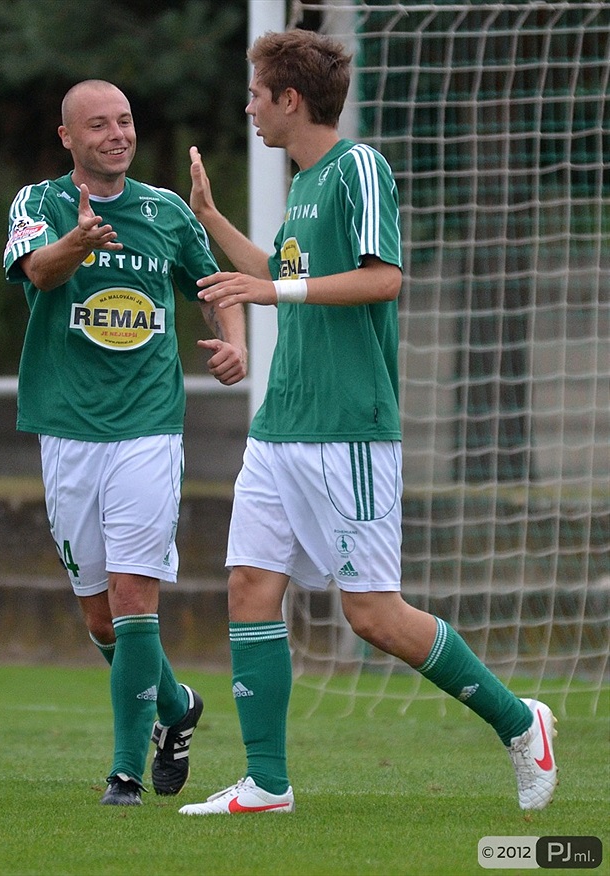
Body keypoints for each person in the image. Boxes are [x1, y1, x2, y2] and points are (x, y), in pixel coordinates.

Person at [177, 30, 558, 815]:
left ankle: (522, 724)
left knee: (373, 616)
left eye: (256, 94)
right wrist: (212, 219)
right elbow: (282, 274)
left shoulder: (359, 167)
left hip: (347, 431)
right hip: (281, 428)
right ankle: (268, 783)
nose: (248, 106)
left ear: (290, 99)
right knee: (250, 585)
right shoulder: (304, 186)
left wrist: (272, 295)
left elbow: (382, 279)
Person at [3, 79, 247, 806]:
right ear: (67, 138)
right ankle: (175, 708)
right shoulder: (37, 205)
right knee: (99, 617)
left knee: (135, 594)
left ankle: (123, 776)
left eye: (126, 121)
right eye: (99, 125)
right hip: (66, 428)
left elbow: (216, 284)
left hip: (146, 427)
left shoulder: (166, 211)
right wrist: (76, 242)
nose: (117, 134)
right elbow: (37, 274)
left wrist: (234, 344)